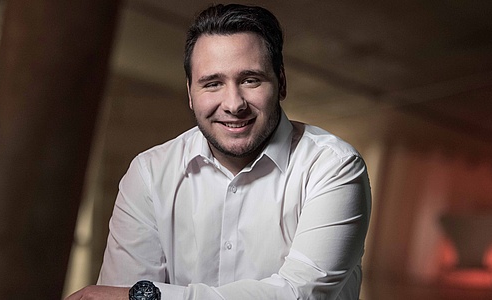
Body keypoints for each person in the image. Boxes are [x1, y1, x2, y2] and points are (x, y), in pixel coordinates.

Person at [66, 3, 371, 300]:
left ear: (281, 83)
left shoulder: (334, 167)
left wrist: (152, 297)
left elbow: (299, 294)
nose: (233, 104)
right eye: (212, 84)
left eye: (250, 80)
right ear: (190, 94)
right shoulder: (149, 174)